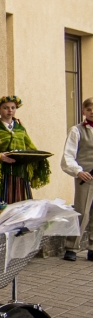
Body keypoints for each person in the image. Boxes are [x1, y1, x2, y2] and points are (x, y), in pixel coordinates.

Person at [0, 96, 50, 208]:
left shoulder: (20, 129)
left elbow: (30, 149)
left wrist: (37, 157)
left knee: (19, 205)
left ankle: (18, 225)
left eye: (13, 107)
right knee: (1, 206)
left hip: (19, 175)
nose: (10, 110)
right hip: (1, 177)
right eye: (5, 108)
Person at [61, 97, 93, 262]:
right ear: (83, 111)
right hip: (85, 177)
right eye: (89, 109)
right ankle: (72, 247)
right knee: (82, 212)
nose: (92, 112)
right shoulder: (76, 130)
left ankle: (92, 248)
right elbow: (68, 155)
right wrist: (78, 171)